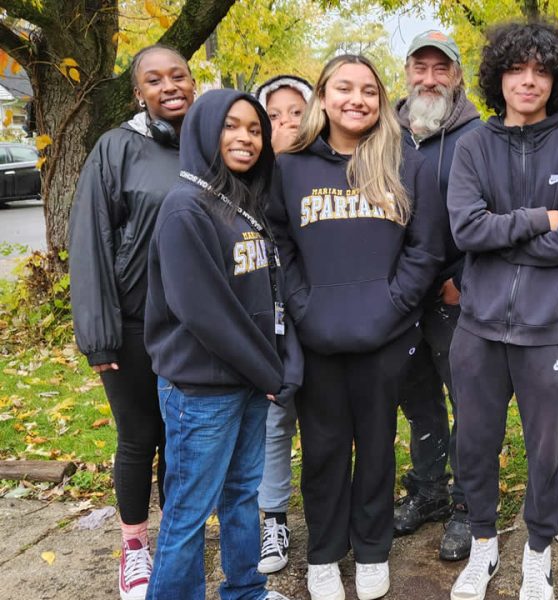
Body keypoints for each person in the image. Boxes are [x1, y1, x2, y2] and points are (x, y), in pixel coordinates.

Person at [268, 54, 446, 600]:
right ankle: (324, 553)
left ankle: (371, 550)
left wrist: (394, 306)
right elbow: (278, 243)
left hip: (386, 336)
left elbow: (425, 248)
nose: (358, 99)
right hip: (317, 336)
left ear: (380, 100)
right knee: (322, 449)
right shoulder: (290, 166)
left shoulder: (403, 161)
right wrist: (302, 306)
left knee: (376, 445)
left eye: (369, 90)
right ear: (322, 97)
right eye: (344, 88)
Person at [446, 20, 558, 600]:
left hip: (548, 328)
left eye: (541, 70)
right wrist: (539, 218)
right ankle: (484, 546)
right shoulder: (473, 145)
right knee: (476, 442)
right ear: (499, 76)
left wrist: (500, 232)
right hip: (479, 327)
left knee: (546, 448)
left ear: (556, 79)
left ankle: (538, 550)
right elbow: (466, 228)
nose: (528, 81)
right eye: (517, 68)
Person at [144, 88, 300, 600]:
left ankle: (245, 590)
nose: (246, 138)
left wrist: (277, 364)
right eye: (232, 126)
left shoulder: (240, 203)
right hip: (202, 392)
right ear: (205, 131)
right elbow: (206, 313)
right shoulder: (185, 207)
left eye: (255, 130)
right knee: (189, 511)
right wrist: (271, 373)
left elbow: (268, 295)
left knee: (241, 495)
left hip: (250, 383)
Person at [68, 44, 195, 600]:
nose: (169, 85)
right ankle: (135, 547)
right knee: (141, 435)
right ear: (138, 91)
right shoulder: (115, 148)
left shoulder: (211, 143)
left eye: (179, 75)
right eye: (154, 79)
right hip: (134, 323)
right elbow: (90, 241)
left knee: (182, 438)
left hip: (195, 324)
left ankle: (174, 538)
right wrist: (98, 334)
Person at [392, 29, 482, 562]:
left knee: (468, 402)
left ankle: (471, 506)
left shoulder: (478, 136)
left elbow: (494, 213)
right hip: (398, 296)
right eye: (420, 67)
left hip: (453, 294)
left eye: (440, 68)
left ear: (458, 76)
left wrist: (463, 281)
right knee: (418, 401)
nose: (429, 78)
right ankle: (428, 492)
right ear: (406, 72)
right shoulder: (382, 130)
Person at [252, 73, 313, 575]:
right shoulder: (248, 174)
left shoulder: (326, 165)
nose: (287, 123)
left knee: (324, 420)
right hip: (267, 318)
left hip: (319, 313)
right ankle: (274, 518)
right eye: (274, 115)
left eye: (297, 111)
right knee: (275, 418)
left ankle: (329, 510)